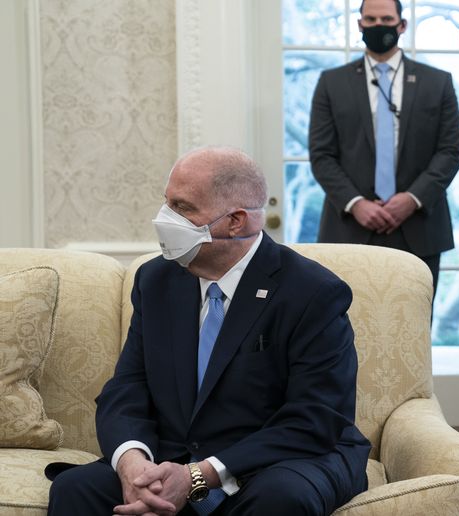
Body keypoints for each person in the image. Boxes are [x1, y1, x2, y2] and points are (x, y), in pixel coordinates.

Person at [47, 147, 370, 515]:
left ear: (236, 221)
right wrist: (132, 463)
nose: (165, 219)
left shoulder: (312, 291)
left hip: (278, 459)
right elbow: (128, 387)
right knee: (77, 489)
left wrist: (199, 476)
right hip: (174, 456)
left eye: (182, 208)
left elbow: (315, 417)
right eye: (166, 203)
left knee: (281, 498)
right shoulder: (156, 280)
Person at [309, 0, 459, 295]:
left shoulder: (438, 82)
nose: (379, 25)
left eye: (386, 18)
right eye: (370, 19)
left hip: (419, 228)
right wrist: (356, 203)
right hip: (348, 229)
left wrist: (412, 199)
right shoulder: (331, 82)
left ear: (402, 25)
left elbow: (450, 151)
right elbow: (321, 155)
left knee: (413, 331)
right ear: (359, 25)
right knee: (346, 330)